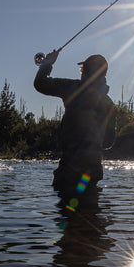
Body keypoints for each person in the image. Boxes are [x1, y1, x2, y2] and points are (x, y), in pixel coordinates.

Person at [34, 50, 117, 201]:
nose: (81, 73)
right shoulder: (109, 104)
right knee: (89, 214)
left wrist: (47, 65)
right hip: (91, 172)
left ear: (87, 72)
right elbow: (108, 142)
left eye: (82, 70)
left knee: (69, 213)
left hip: (70, 170)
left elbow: (40, 84)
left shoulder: (72, 88)